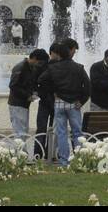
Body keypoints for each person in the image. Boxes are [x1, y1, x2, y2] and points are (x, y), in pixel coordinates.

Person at [38, 39, 90, 167]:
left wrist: (53, 92)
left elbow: (41, 80)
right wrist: (81, 100)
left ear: (59, 55)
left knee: (61, 133)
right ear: (69, 53)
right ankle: (80, 159)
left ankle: (63, 160)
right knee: (77, 132)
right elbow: (88, 86)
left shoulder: (53, 67)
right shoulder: (78, 67)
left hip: (59, 102)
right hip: (74, 104)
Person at [8, 49, 45, 158]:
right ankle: (20, 155)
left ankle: (21, 154)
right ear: (33, 58)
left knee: (23, 129)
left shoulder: (30, 67)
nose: (39, 65)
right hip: (17, 104)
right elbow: (13, 86)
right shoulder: (20, 67)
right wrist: (27, 96)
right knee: (20, 131)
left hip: (23, 104)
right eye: (38, 62)